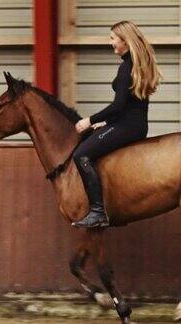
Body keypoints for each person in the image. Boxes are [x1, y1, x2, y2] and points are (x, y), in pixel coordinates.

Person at [71, 21, 162, 228]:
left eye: (113, 38)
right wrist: (105, 122)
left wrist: (89, 120)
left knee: (81, 155)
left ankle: (97, 211)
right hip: (134, 124)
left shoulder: (125, 69)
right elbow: (130, 106)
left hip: (126, 126)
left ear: (125, 42)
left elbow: (118, 105)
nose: (111, 43)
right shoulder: (136, 66)